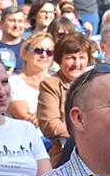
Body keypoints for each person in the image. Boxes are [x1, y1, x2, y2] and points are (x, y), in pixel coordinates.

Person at [37, 32, 94, 165]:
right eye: (71, 58)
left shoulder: (94, 84)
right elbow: (51, 125)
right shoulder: (50, 84)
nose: (77, 63)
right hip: (66, 155)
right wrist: (90, 134)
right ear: (59, 59)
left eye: (82, 57)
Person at [7, 33, 54, 129]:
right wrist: (50, 116)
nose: (44, 55)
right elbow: (25, 116)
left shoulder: (56, 82)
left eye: (49, 52)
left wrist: (41, 116)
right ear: (25, 54)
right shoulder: (13, 83)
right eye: (38, 50)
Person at [0, 6, 26, 72]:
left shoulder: (30, 49)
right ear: (0, 24)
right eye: (12, 21)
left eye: (20, 21)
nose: (16, 25)